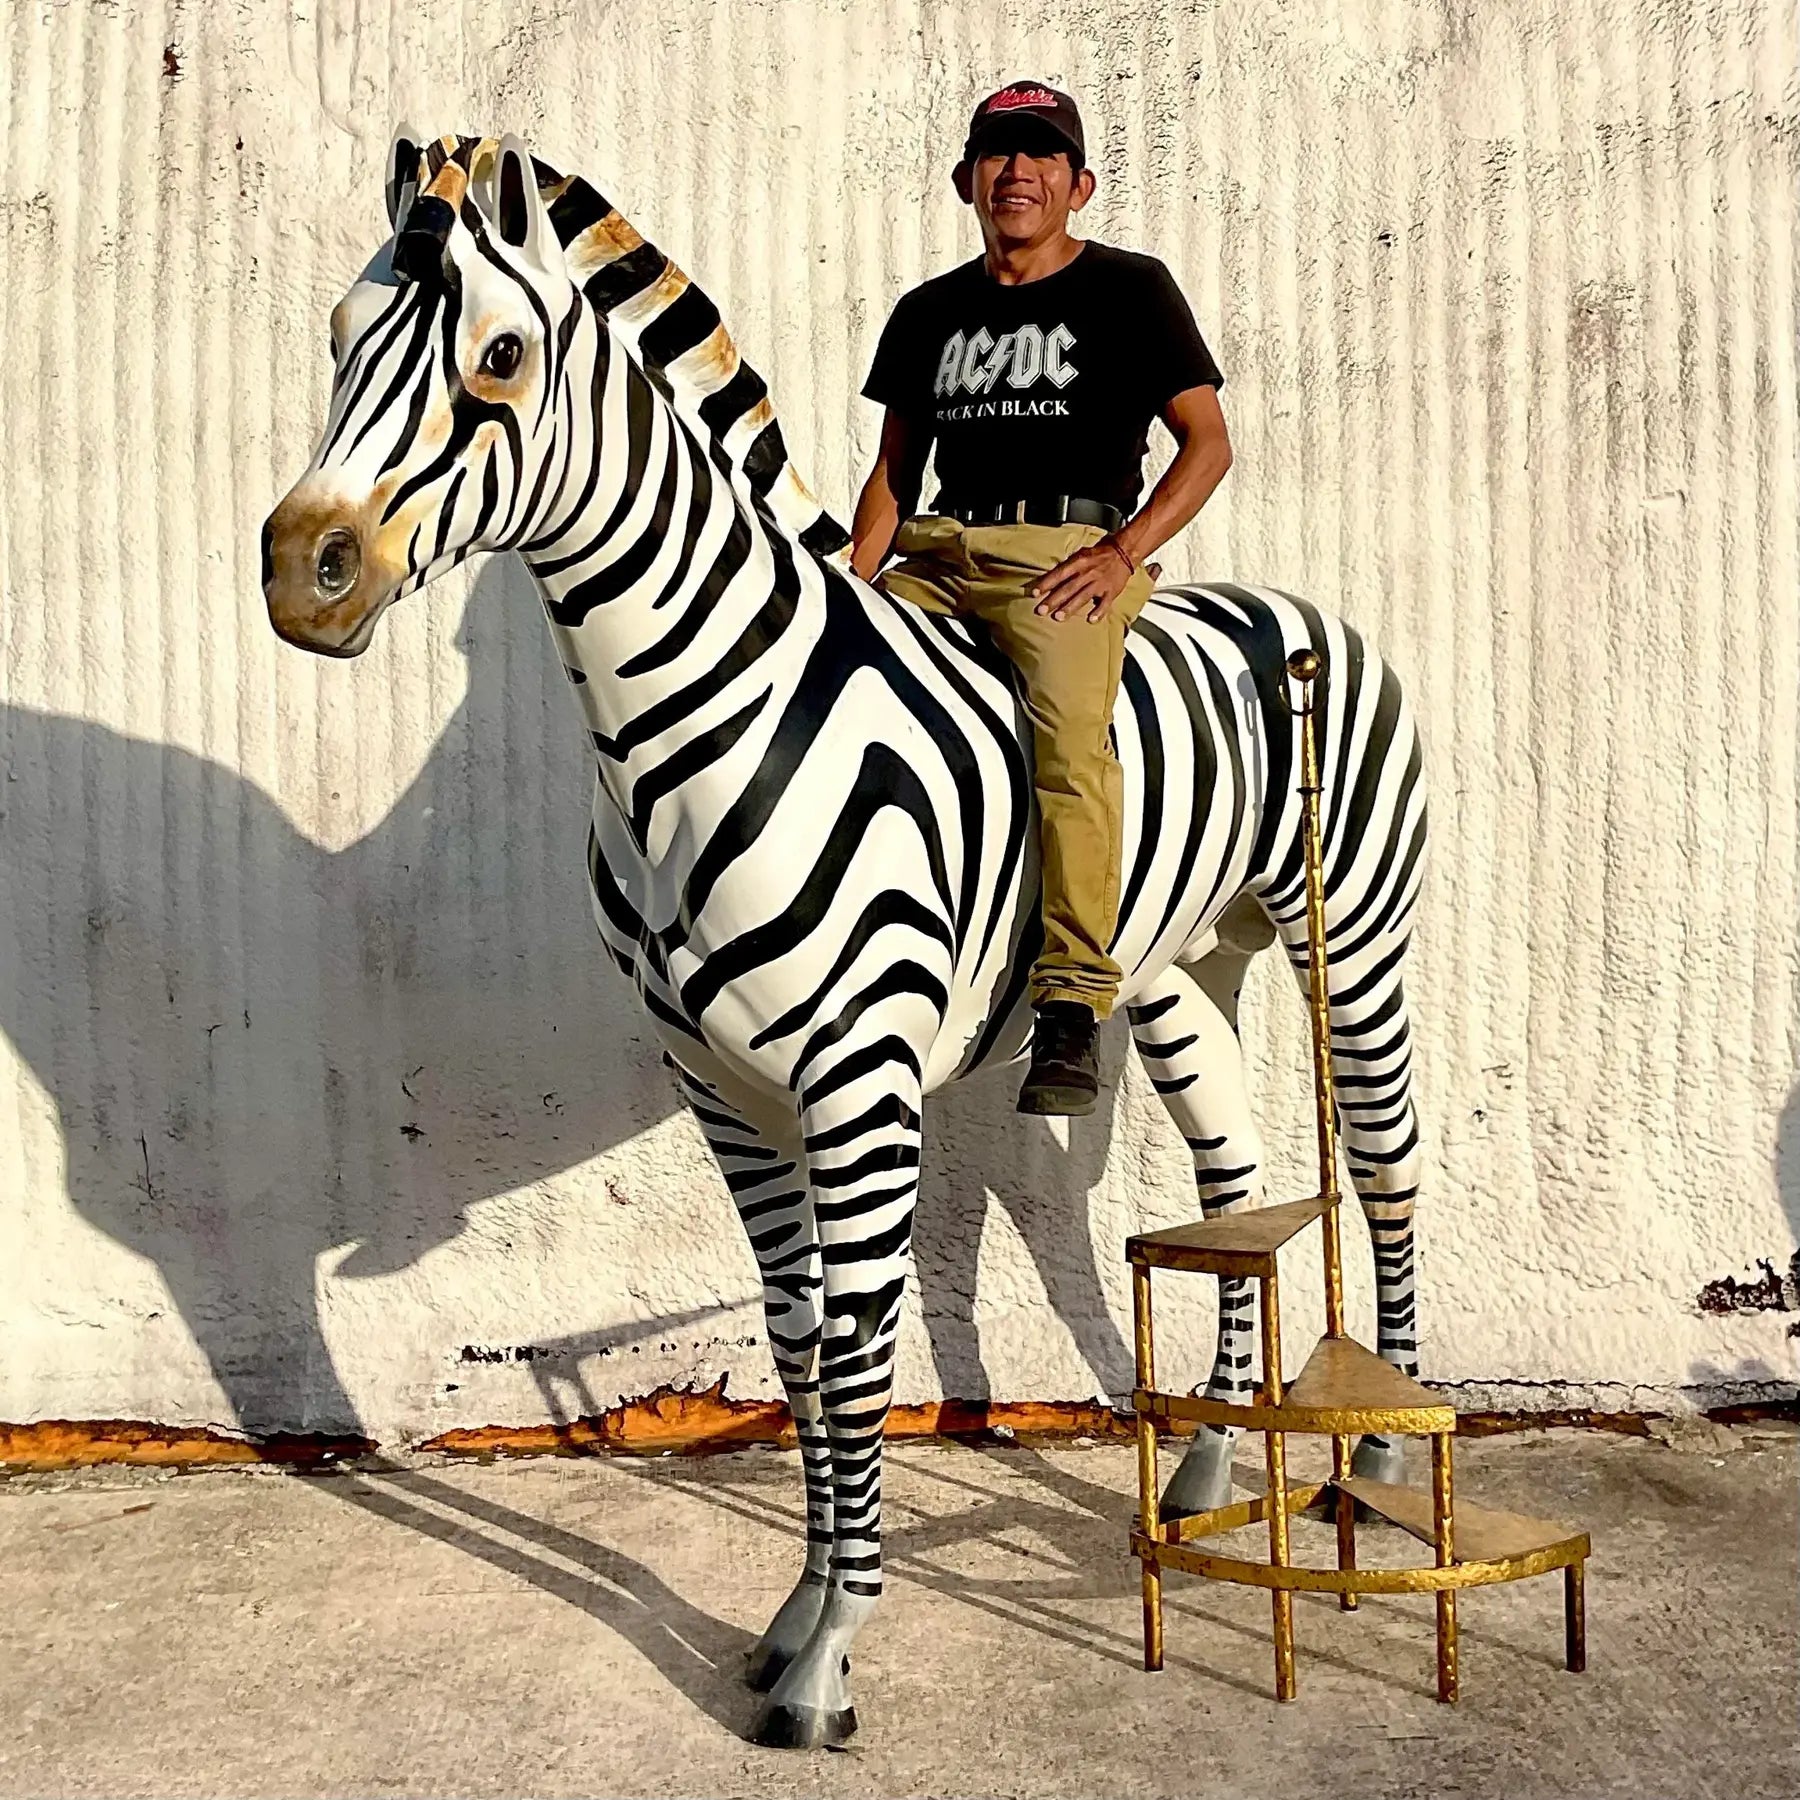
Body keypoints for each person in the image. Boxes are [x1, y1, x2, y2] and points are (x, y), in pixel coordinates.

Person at [851, 80, 1234, 1116]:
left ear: (1079, 184)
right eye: (998, 152)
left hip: (1061, 552)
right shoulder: (928, 312)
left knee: (1069, 747)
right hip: (938, 551)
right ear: (966, 179)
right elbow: (895, 472)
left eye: (1041, 154)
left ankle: (1071, 1000)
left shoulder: (1130, 289)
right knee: (842, 700)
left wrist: (1123, 554)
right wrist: (852, 587)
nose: (1017, 171)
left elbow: (1208, 445)